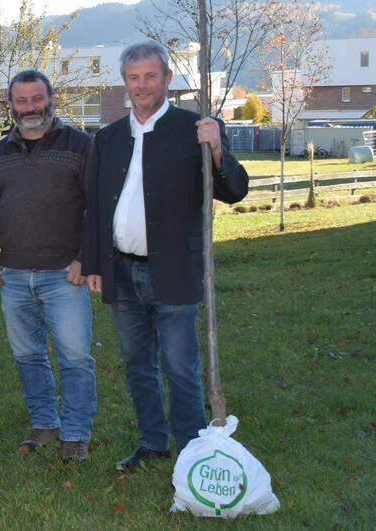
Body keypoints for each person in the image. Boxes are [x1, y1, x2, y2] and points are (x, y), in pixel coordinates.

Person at [80, 41, 249, 471]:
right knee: (138, 364)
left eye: (150, 76)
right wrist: (96, 262)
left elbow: (234, 190)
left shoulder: (196, 127)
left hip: (174, 269)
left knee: (179, 366)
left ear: (168, 79)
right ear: (125, 82)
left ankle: (192, 450)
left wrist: (216, 150)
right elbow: (97, 204)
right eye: (133, 77)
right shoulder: (108, 137)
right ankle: (153, 443)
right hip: (121, 271)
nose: (141, 85)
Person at [0, 70, 97, 464]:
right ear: (11, 105)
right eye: (22, 101)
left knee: (75, 357)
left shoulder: (80, 145)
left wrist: (86, 258)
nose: (30, 107)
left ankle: (76, 434)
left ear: (51, 97)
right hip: (12, 275)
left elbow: (98, 208)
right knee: (28, 356)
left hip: (65, 274)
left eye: (37, 99)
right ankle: (45, 425)